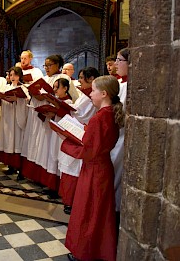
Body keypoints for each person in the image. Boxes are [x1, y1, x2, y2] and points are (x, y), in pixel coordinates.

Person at [61, 75, 124, 261]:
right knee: (100, 213)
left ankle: (84, 253)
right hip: (103, 167)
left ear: (104, 94)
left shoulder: (99, 118)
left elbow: (88, 151)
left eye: (94, 91)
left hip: (94, 170)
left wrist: (65, 140)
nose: (90, 95)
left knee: (87, 211)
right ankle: (98, 250)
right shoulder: (110, 113)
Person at [20, 54, 79, 188]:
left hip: (54, 118)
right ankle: (38, 176)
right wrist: (35, 95)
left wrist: (51, 97)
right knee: (39, 147)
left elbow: (73, 98)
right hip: (41, 116)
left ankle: (51, 180)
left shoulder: (64, 78)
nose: (46, 68)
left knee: (50, 149)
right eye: (45, 65)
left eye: (49, 65)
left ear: (58, 65)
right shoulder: (43, 78)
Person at [58, 67, 100, 214]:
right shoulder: (85, 94)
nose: (79, 80)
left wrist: (66, 108)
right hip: (75, 130)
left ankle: (73, 200)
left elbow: (82, 115)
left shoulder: (92, 96)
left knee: (74, 167)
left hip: (81, 133)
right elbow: (77, 109)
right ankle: (67, 198)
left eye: (82, 78)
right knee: (68, 165)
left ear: (91, 78)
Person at [0, 66, 29, 176]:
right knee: (9, 141)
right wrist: (0, 98)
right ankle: (11, 166)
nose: (12, 77)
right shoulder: (6, 87)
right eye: (10, 75)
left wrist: (18, 100)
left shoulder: (24, 88)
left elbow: (27, 102)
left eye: (15, 75)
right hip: (8, 119)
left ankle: (20, 168)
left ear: (19, 76)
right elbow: (1, 102)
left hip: (17, 120)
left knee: (17, 141)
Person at [111, 47, 129, 234]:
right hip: (116, 136)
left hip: (121, 138)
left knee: (117, 176)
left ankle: (115, 213)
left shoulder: (128, 86)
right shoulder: (120, 84)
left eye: (119, 60)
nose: (116, 64)